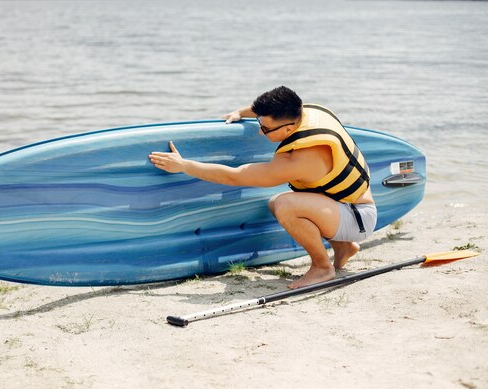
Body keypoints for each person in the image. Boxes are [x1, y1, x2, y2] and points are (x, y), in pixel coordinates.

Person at [148, 86, 377, 289]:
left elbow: (234, 178)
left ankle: (322, 267)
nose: (260, 131)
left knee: (285, 205)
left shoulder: (300, 161)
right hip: (344, 205)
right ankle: (344, 248)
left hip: (358, 217)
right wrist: (240, 112)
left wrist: (183, 165)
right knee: (274, 202)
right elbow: (266, 110)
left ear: (288, 129)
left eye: (265, 128)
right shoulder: (307, 111)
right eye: (259, 123)